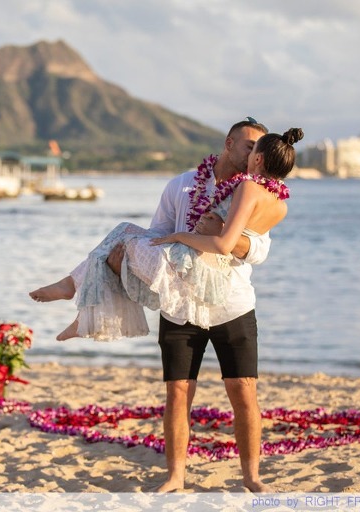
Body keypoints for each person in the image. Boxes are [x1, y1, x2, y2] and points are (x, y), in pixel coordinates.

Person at [31, 118, 303, 492]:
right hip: (180, 302)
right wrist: (183, 238)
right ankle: (175, 476)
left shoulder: (254, 191)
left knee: (243, 390)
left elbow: (258, 250)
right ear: (230, 143)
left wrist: (214, 235)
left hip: (232, 304)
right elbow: (158, 235)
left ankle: (252, 477)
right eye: (248, 145)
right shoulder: (183, 184)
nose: (252, 153)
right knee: (177, 391)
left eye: (258, 148)